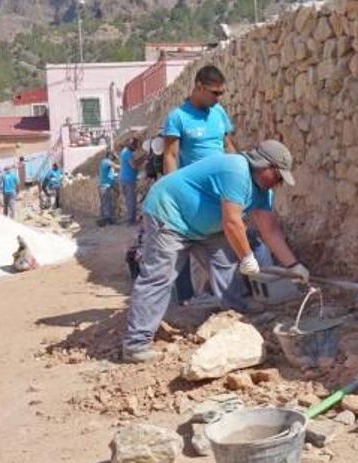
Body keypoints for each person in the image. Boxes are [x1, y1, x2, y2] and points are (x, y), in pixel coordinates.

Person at [121, 140, 310, 363]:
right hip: (169, 214)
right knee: (159, 277)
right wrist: (247, 257)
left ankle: (238, 311)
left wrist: (293, 265)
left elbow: (270, 231)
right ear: (265, 167)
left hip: (206, 226)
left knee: (225, 263)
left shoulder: (263, 192)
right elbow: (232, 222)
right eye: (278, 176)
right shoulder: (236, 170)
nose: (279, 183)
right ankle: (136, 344)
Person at [162, 65, 237, 304]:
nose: (218, 99)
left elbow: (228, 146)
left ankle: (228, 302)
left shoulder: (219, 113)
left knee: (223, 251)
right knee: (189, 251)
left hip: (220, 195)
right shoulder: (178, 118)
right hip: (193, 196)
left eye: (221, 94)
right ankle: (191, 301)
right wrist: (173, 193)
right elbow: (171, 156)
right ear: (199, 87)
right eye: (215, 93)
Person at [119, 138, 141, 225]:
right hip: (129, 179)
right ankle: (131, 221)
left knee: (128, 201)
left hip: (123, 179)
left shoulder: (124, 151)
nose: (136, 148)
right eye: (135, 146)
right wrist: (143, 159)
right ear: (132, 145)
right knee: (131, 200)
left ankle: (129, 219)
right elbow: (134, 165)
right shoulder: (128, 153)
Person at [98, 151, 118, 226]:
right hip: (104, 186)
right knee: (106, 203)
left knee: (106, 203)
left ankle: (104, 220)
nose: (113, 159)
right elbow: (116, 166)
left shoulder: (106, 163)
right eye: (113, 157)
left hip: (105, 186)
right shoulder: (106, 161)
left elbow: (111, 174)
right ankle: (107, 220)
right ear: (109, 156)